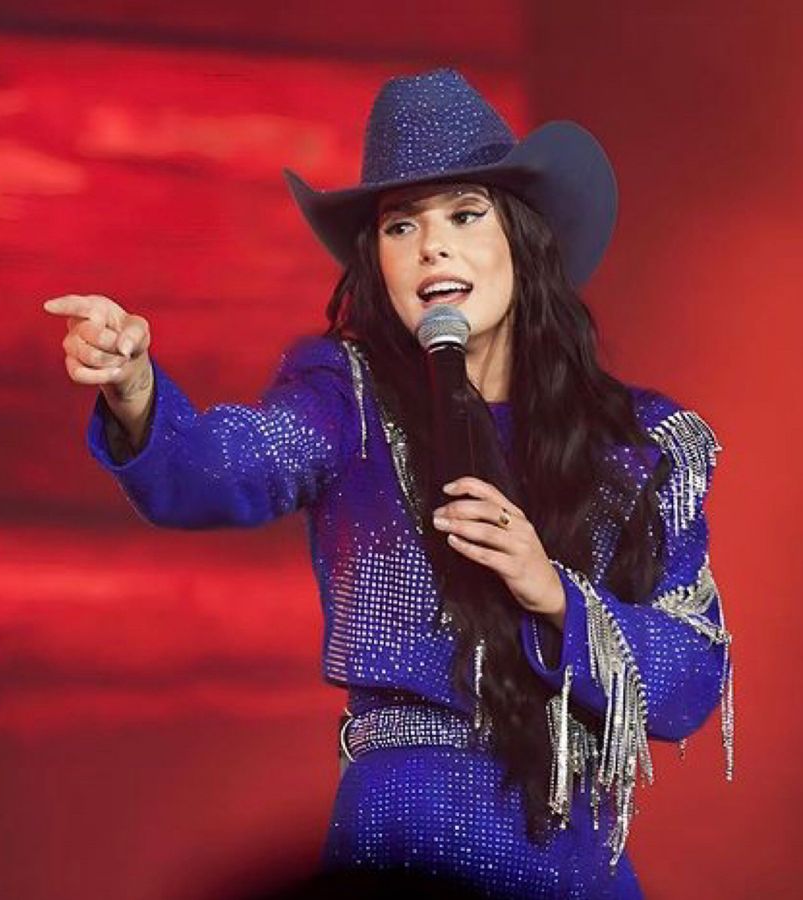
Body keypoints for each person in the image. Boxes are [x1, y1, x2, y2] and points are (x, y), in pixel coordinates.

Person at [42, 68, 733, 900]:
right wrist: (136, 389)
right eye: (402, 225)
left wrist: (554, 594)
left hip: (575, 859)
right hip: (403, 832)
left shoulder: (637, 445)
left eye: (464, 214)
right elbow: (224, 466)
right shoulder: (350, 402)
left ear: (523, 236)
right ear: (379, 260)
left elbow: (691, 678)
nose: (432, 246)